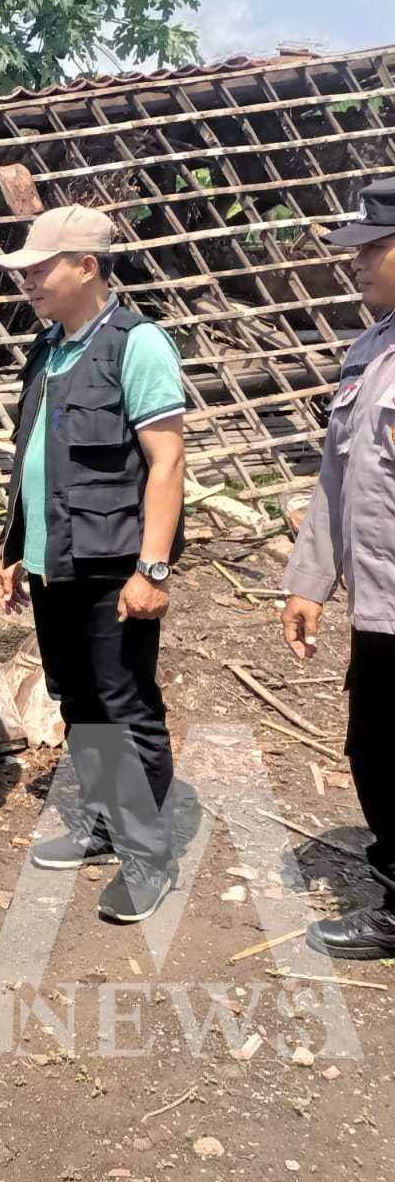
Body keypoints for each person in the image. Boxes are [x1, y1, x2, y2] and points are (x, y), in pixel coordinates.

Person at [0, 206, 187, 924]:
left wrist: (153, 571)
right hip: (56, 565)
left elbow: (167, 463)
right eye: (27, 272)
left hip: (114, 568)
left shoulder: (137, 345)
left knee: (126, 706)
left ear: (87, 267)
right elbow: (33, 459)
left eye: (42, 269)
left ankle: (148, 858)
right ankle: (108, 824)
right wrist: (15, 552)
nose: (30, 283)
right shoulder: (48, 348)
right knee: (78, 702)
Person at [280, 180, 395, 958]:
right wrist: (308, 582)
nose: (352, 262)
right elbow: (335, 478)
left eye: (368, 247)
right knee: (377, 748)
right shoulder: (370, 349)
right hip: (379, 605)